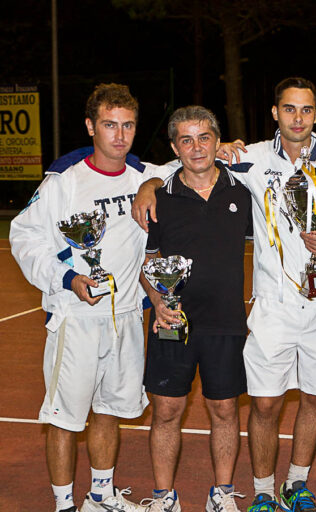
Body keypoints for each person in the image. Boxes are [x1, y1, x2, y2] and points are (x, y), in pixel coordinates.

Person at [132, 77, 316, 512]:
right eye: (289, 109)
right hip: (273, 306)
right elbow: (194, 160)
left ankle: (296, 484)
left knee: (315, 397)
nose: (298, 117)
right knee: (264, 402)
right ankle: (261, 491)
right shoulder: (250, 159)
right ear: (275, 113)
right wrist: (150, 184)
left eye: (307, 109)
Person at [9, 83, 161, 512]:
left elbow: (187, 160)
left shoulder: (143, 176)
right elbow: (24, 237)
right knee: (65, 418)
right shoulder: (64, 182)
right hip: (75, 319)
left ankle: (101, 496)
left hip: (127, 316)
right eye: (110, 125)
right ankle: (64, 506)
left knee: (110, 410)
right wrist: (66, 277)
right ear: (91, 126)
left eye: (128, 125)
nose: (120, 135)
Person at [139, 106, 252, 512]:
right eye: (186, 140)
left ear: (216, 141)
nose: (196, 147)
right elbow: (147, 263)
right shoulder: (159, 199)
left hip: (226, 322)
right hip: (173, 321)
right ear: (174, 147)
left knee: (224, 409)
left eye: (204, 137)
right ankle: (163, 497)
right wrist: (156, 300)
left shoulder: (243, 192)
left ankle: (221, 494)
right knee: (167, 409)